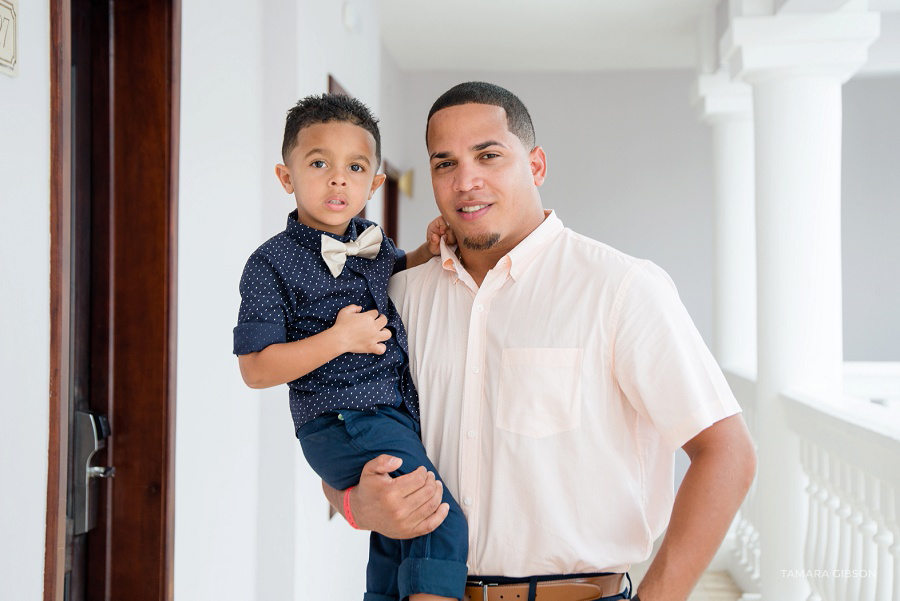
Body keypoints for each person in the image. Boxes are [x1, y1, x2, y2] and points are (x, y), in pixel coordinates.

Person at [323, 82, 757, 601]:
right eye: (445, 163)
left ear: (536, 166)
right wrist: (353, 503)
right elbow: (335, 430)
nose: (466, 180)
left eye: (489, 155)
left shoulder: (620, 288)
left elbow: (727, 451)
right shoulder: (397, 300)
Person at [233, 94, 468, 601]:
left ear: (373, 184)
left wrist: (429, 248)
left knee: (398, 534)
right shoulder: (269, 263)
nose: (338, 179)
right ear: (285, 177)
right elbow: (255, 369)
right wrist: (340, 338)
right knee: (441, 521)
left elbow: (397, 270)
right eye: (318, 163)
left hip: (388, 415)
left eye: (354, 167)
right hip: (343, 420)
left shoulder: (370, 242)